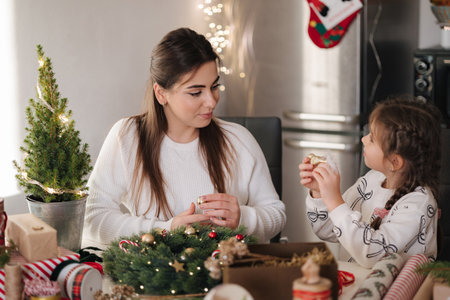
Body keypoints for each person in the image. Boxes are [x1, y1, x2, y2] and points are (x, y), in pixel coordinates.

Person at [83, 28, 286, 249]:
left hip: (226, 276)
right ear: (161, 94)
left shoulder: (238, 139)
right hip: (152, 276)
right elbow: (92, 216)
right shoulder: (128, 136)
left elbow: (276, 214)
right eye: (196, 92)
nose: (211, 101)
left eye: (214, 86)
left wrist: (243, 219)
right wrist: (165, 230)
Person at [299, 96, 442, 268]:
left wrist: (335, 201)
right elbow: (330, 230)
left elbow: (372, 254)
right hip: (357, 282)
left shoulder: (417, 204)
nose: (363, 139)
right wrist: (320, 193)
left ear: (395, 162)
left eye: (372, 138)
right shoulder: (371, 180)